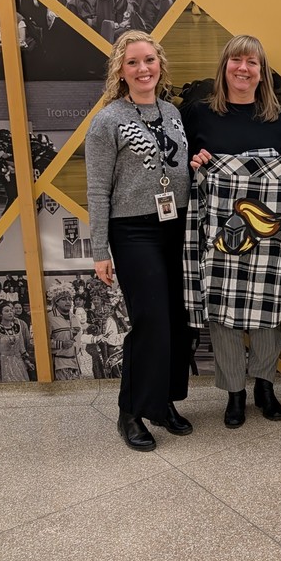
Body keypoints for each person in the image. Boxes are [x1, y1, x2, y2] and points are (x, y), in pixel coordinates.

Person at [182, 34, 281, 428]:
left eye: (252, 62)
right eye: (236, 60)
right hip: (220, 234)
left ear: (262, 72)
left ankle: (265, 387)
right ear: (224, 67)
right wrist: (194, 162)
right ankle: (234, 393)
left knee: (268, 310)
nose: (243, 68)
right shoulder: (199, 114)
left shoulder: (280, 119)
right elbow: (180, 165)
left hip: (269, 237)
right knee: (223, 313)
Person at [86, 30, 192, 451]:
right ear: (120, 71)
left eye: (149, 60)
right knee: (150, 321)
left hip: (176, 225)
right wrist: (99, 250)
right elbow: (98, 190)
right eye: (133, 62)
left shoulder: (172, 112)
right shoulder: (107, 121)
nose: (143, 68)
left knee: (176, 320)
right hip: (133, 230)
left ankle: (162, 402)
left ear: (160, 64)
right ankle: (130, 411)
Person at [0, 301, 32, 382]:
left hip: (18, 362)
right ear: (1, 314)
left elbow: (22, 347)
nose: (10, 313)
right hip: (4, 363)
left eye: (11, 310)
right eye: (6, 311)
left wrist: (27, 361)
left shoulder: (17, 327)